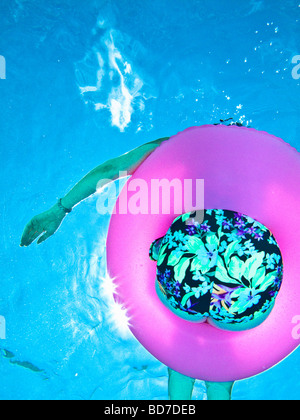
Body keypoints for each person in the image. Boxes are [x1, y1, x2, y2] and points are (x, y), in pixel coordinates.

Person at [20, 123, 283, 400]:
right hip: (250, 271)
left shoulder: (182, 145)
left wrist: (60, 209)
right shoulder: (271, 161)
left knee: (182, 361)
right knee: (218, 374)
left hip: (187, 262)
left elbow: (111, 171)